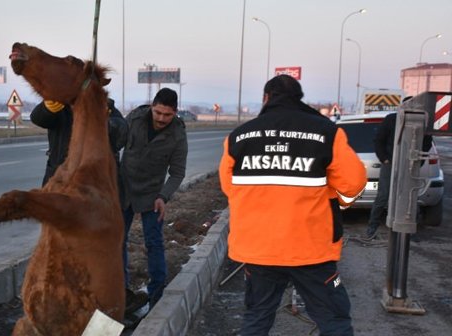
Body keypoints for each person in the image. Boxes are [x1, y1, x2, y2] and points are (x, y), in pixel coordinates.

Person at [218, 75, 366, 336]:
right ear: (299, 98)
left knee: (256, 319)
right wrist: (332, 199)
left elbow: (230, 188)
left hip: (259, 249)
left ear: (266, 98)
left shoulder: (238, 137)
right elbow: (353, 184)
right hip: (311, 249)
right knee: (333, 321)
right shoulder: (327, 133)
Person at [120, 87, 188, 313]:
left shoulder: (178, 134)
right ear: (151, 107)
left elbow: (177, 173)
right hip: (124, 189)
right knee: (117, 241)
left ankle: (156, 296)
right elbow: (113, 143)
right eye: (157, 112)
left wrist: (163, 196)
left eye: (167, 115)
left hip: (152, 195)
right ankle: (121, 293)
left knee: (154, 243)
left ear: (175, 113)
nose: (161, 119)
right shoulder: (135, 118)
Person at [364, 101, 433, 240]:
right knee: (383, 196)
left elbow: (426, 144)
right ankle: (372, 228)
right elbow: (379, 141)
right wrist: (385, 159)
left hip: (410, 165)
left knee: (410, 197)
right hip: (391, 164)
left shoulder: (421, 123)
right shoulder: (391, 120)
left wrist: (418, 162)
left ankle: (410, 231)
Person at [30, 98, 128, 191]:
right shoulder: (60, 106)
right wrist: (47, 108)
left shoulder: (103, 104)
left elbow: (121, 132)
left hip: (98, 182)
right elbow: (38, 118)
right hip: (60, 179)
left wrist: (103, 123)